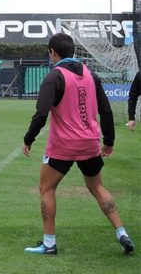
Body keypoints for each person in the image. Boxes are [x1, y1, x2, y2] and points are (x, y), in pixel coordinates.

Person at [23, 33, 134, 255]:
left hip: (63, 146)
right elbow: (106, 111)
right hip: (90, 143)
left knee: (47, 188)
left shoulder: (54, 77)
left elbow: (41, 113)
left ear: (53, 53)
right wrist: (108, 141)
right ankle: (122, 233)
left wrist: (28, 139)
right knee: (97, 187)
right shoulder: (91, 75)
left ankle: (49, 243)